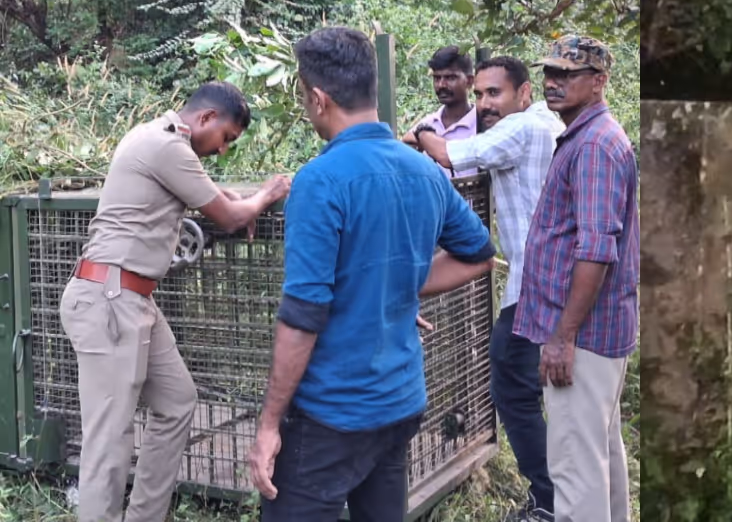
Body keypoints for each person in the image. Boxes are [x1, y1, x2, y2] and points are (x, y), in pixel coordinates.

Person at [247, 26, 497, 521]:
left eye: (304, 97)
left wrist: (269, 424)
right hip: (400, 402)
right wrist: (398, 286)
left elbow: (303, 315)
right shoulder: (425, 171)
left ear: (319, 98)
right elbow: (480, 255)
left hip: (333, 412)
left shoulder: (320, 181)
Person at [59, 81, 291, 522]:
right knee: (109, 442)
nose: (223, 149)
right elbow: (229, 214)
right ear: (206, 117)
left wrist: (244, 203)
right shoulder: (167, 147)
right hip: (109, 299)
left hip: (132, 298)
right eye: (226, 138)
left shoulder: (162, 141)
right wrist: (268, 194)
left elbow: (219, 198)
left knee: (178, 400)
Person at [415, 55, 565, 521]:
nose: (484, 104)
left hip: (533, 286)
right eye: (479, 94)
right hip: (543, 281)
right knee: (535, 390)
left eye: (494, 93)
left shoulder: (522, 128)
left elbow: (446, 154)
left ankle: (549, 501)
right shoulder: (545, 123)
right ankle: (558, 496)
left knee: (511, 388)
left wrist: (420, 132)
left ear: (525, 93)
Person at [514, 36, 639, 522]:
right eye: (550, 72)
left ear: (599, 81)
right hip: (593, 333)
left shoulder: (594, 146)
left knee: (575, 468)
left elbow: (597, 249)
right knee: (598, 455)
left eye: (567, 74)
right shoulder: (588, 137)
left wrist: (563, 337)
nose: (553, 82)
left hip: (583, 337)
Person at [402, 45, 478, 177]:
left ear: (469, 81)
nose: (441, 85)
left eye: (450, 78)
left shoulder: (483, 125)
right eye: (437, 78)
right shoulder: (426, 124)